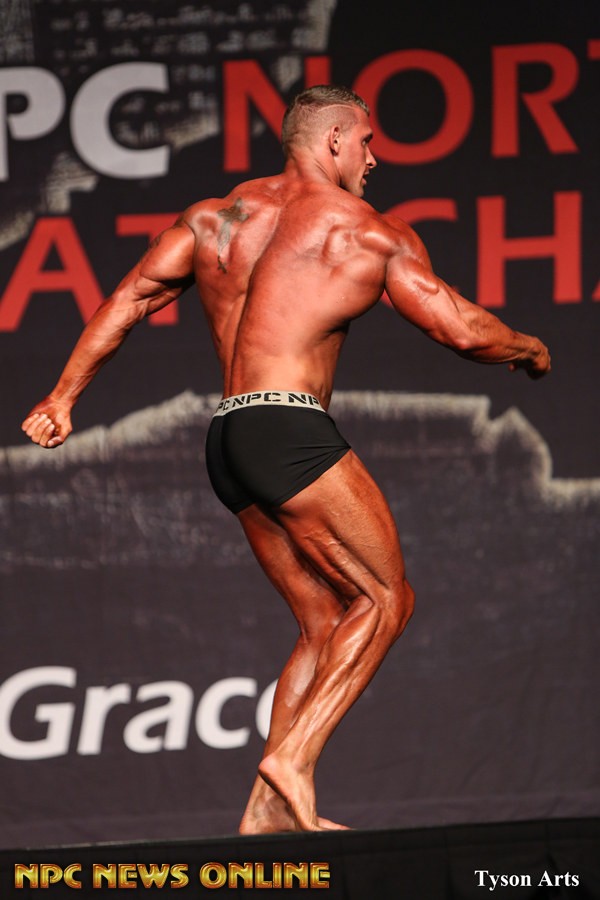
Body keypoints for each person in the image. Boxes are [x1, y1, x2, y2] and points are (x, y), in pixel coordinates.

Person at [22, 85, 551, 834]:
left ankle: (266, 813)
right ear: (333, 140)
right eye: (366, 141)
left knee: (321, 621)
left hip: (228, 441)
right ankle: (293, 761)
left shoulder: (212, 220)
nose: (374, 157)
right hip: (289, 429)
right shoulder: (365, 230)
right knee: (386, 599)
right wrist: (529, 348)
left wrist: (62, 397)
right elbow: (460, 329)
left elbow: (129, 299)